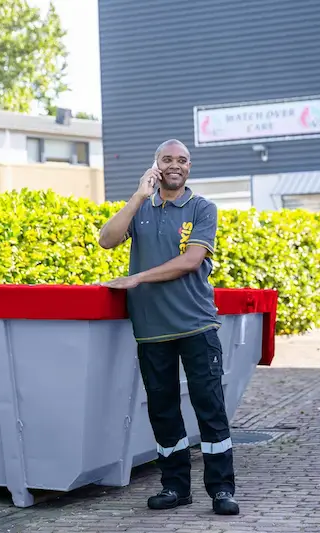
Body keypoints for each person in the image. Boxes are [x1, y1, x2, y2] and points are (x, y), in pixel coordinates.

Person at [97, 139, 240, 516]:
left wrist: (137, 278)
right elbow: (106, 240)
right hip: (151, 331)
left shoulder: (201, 207)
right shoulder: (141, 209)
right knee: (162, 412)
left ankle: (222, 489)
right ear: (155, 165)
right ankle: (175, 488)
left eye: (183, 160)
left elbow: (191, 261)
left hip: (196, 325)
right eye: (167, 159)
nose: (175, 165)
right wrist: (137, 196)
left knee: (210, 408)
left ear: (189, 167)